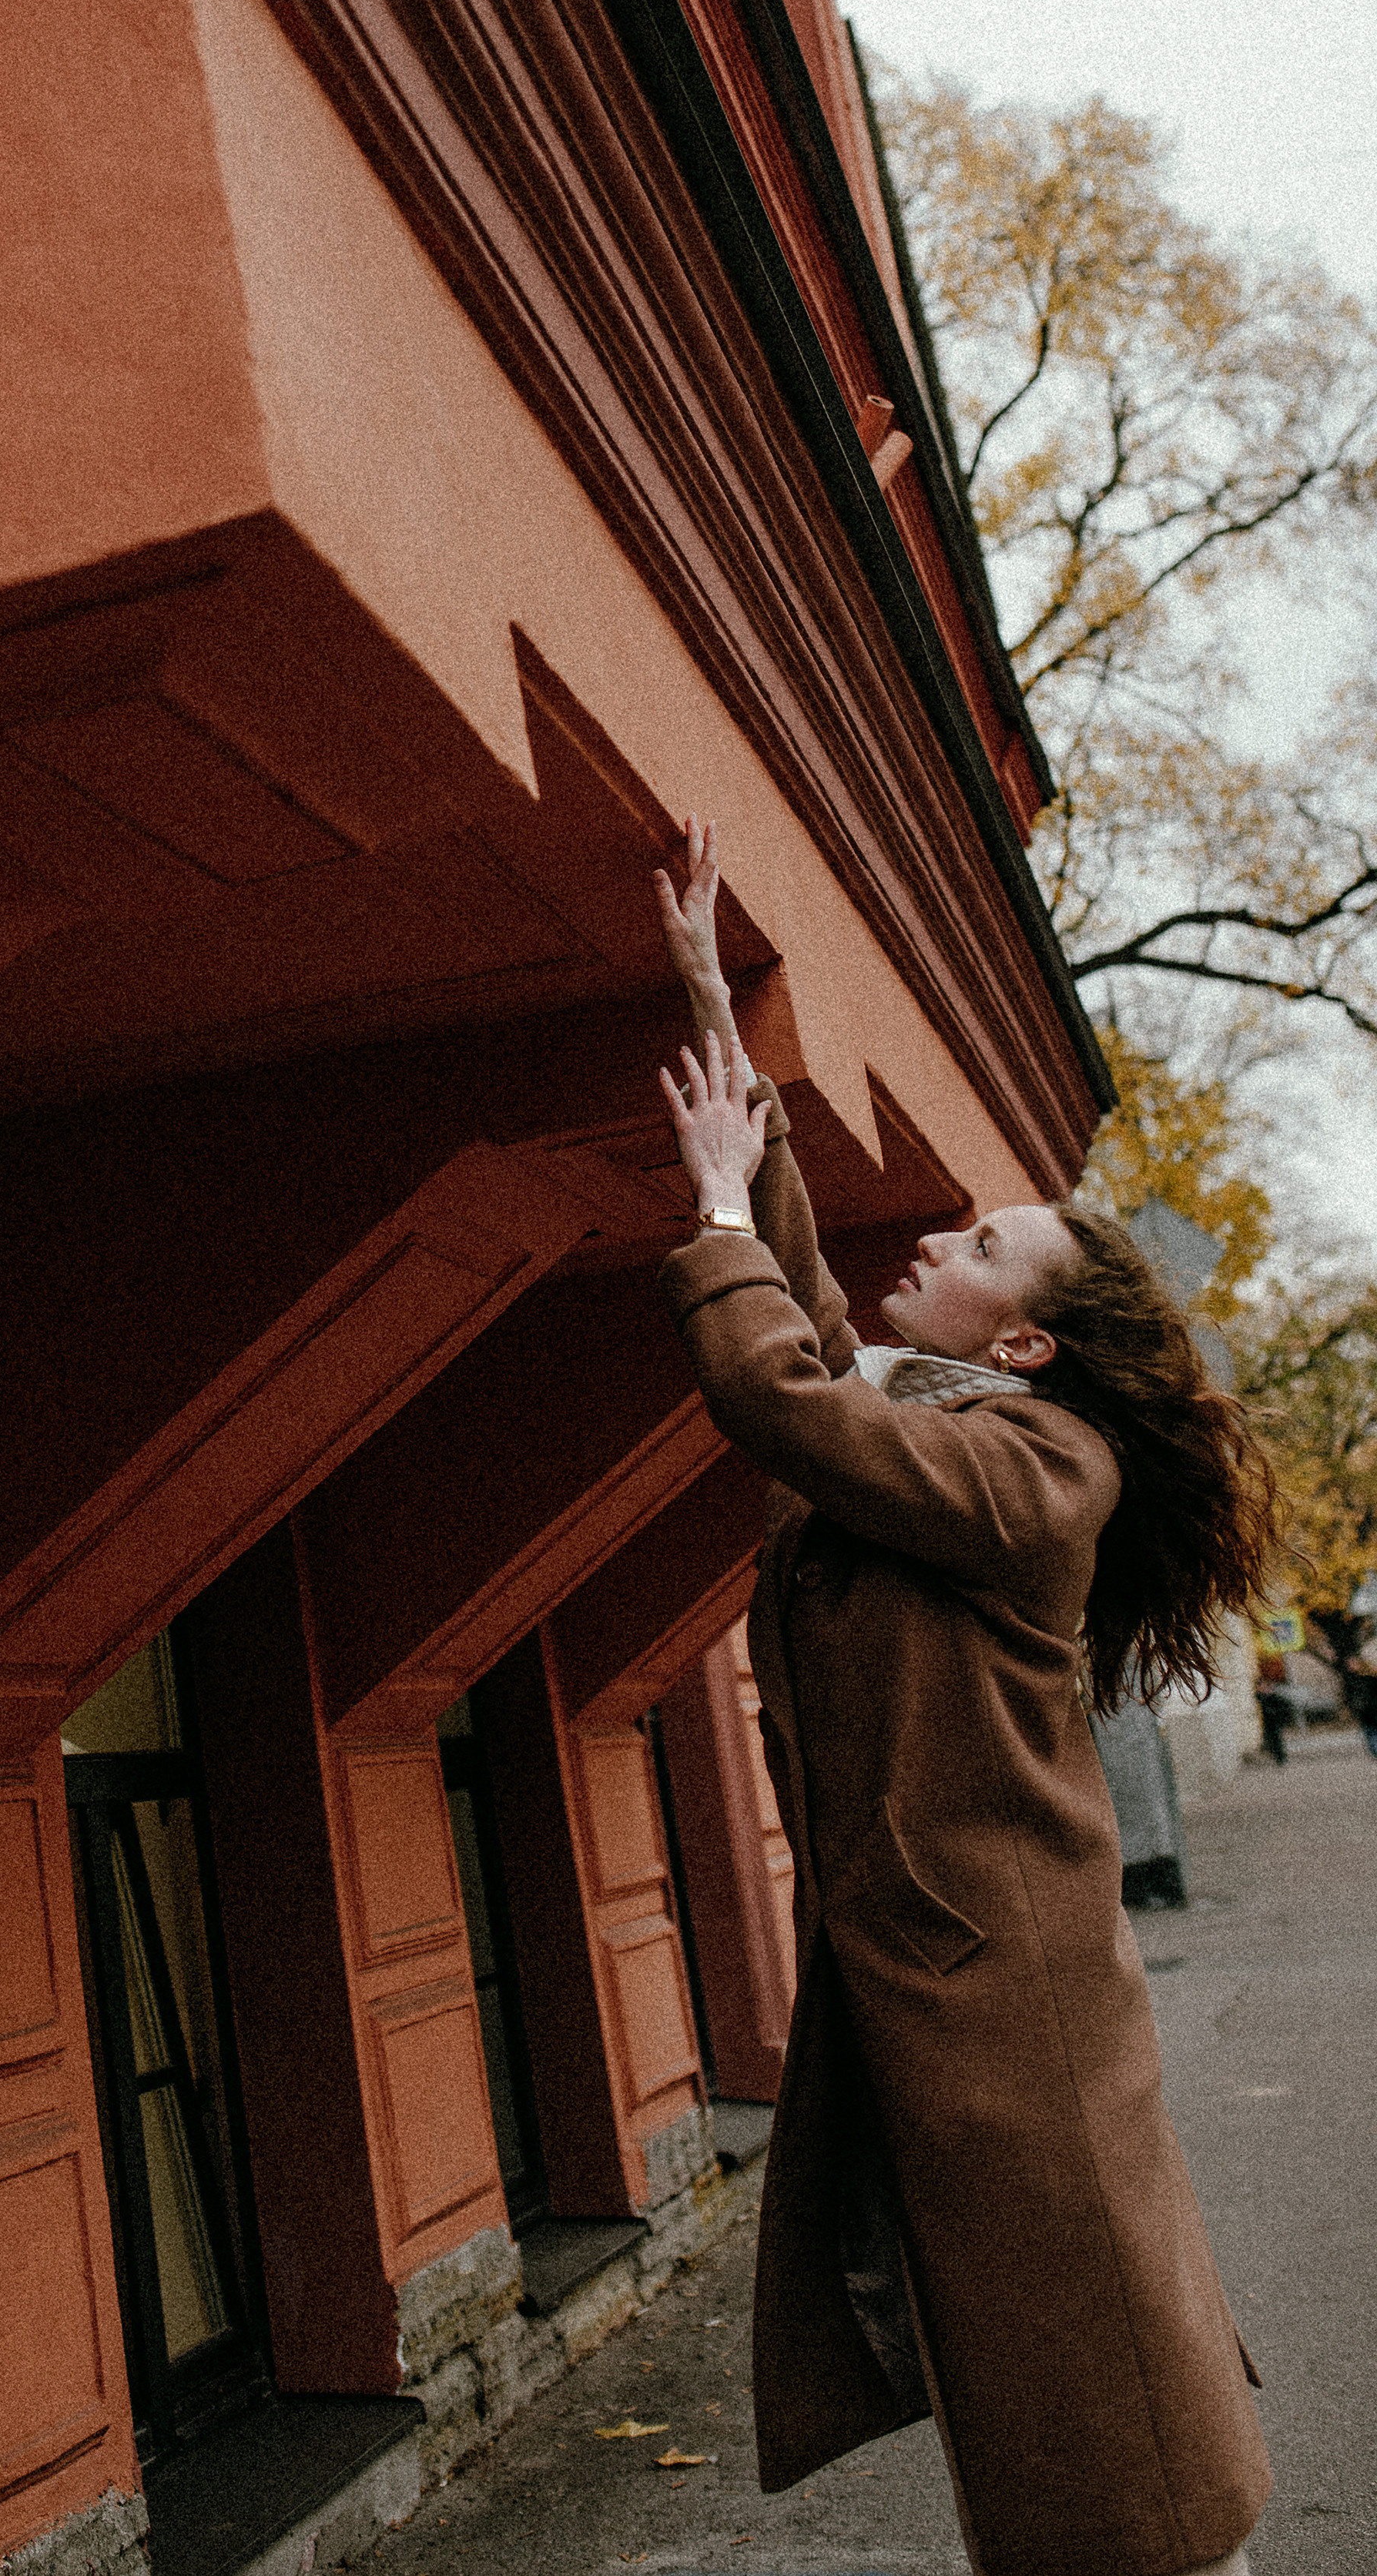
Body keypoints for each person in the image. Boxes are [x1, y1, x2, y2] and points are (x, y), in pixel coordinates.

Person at [651, 819, 1278, 2576]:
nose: (936, 1234)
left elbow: (790, 1393)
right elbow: (819, 1333)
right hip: (946, 1981)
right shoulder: (953, 1419)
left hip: (1014, 2012)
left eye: (983, 1239)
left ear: (1023, 1340)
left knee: (1100, 2405)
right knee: (1043, 2396)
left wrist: (711, 1202)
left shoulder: (1036, 1467)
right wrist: (714, 1003)